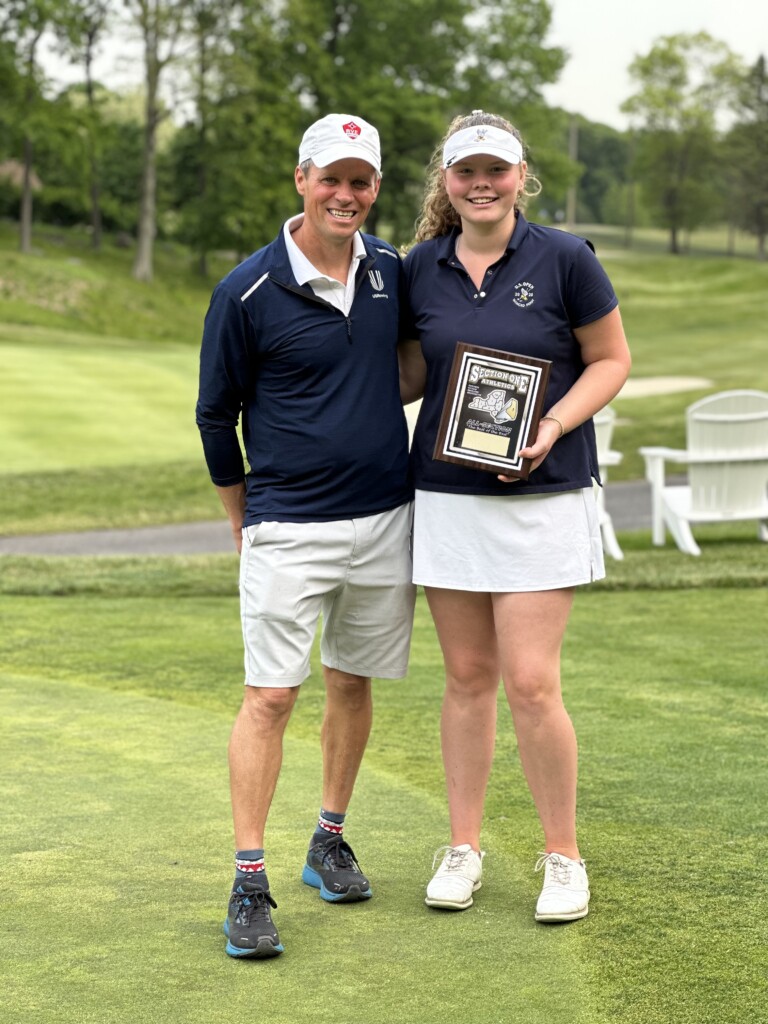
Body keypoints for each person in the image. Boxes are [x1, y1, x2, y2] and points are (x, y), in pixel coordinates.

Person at [399, 110, 631, 922]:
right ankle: (463, 848)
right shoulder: (417, 267)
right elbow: (401, 377)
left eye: (495, 169)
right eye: (466, 171)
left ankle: (562, 857)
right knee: (466, 679)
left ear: (521, 174)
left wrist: (555, 424)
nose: (482, 183)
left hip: (545, 492)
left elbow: (611, 361)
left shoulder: (566, 257)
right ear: (448, 183)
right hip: (449, 497)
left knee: (532, 684)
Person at [196, 113, 416, 958]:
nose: (346, 194)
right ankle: (248, 880)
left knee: (351, 683)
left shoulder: (393, 268)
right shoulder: (245, 291)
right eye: (332, 178)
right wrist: (241, 521)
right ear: (301, 180)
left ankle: (328, 839)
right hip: (289, 522)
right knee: (272, 697)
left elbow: (410, 362)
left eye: (361, 181)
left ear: (375, 189)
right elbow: (217, 415)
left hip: (385, 517)